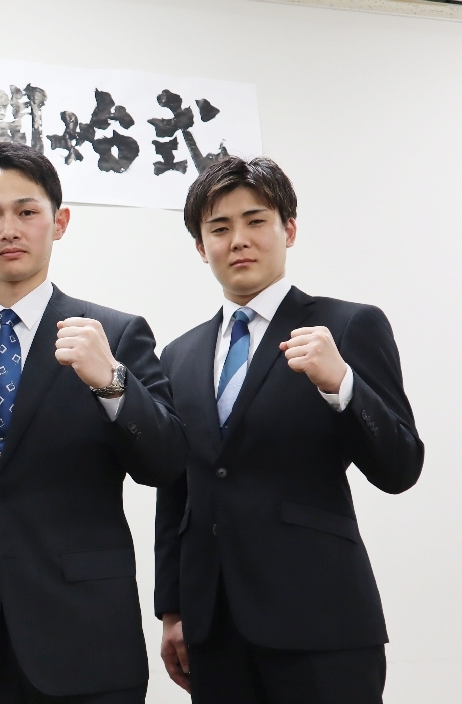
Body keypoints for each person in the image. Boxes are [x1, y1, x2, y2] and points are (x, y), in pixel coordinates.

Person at [0, 141, 186, 704]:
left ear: (59, 222)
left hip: (87, 637)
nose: (9, 229)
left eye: (27, 211)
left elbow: (166, 462)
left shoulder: (115, 336)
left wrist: (112, 382)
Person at [154, 156, 423, 704]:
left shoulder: (347, 325)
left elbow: (400, 467)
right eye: (219, 228)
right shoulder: (178, 355)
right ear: (201, 247)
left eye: (256, 221)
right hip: (215, 629)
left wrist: (342, 385)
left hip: (321, 621)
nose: (238, 240)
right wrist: (173, 609)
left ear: (289, 230)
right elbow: (176, 490)